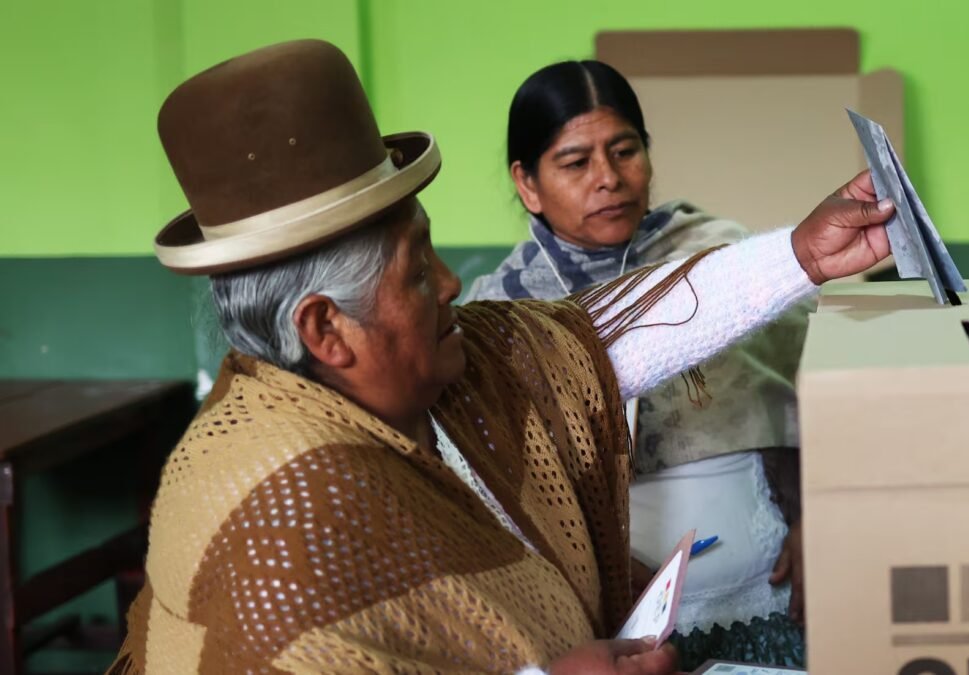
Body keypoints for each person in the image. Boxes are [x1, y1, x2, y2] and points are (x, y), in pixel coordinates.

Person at [113, 40, 893, 674]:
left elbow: (593, 341)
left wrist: (800, 256)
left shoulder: (406, 377)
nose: (451, 284)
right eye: (418, 271)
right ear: (326, 329)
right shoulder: (276, 518)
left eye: (623, 151)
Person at [466, 60, 812, 657]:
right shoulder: (499, 312)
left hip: (773, 593)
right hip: (610, 633)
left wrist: (820, 515)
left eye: (624, 151)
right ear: (527, 183)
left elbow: (811, 395)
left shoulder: (723, 262)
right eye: (576, 162)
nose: (609, 178)